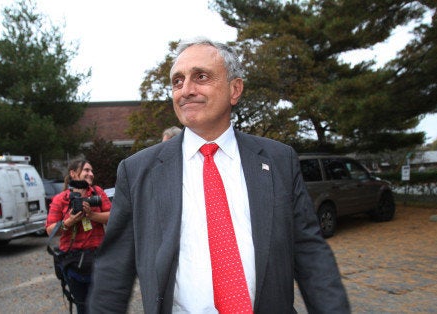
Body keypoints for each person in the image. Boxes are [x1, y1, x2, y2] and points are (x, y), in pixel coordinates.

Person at [88, 37, 349, 313]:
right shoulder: (138, 171)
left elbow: (311, 255)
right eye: (177, 81)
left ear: (234, 89)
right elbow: (113, 272)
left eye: (201, 77)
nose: (186, 90)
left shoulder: (279, 160)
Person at [46, 159, 111, 314]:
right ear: (73, 173)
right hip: (74, 262)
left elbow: (113, 217)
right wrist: (69, 221)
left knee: (102, 305)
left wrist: (92, 215)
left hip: (99, 258)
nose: (91, 174)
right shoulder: (61, 199)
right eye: (86, 170)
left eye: (91, 171)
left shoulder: (97, 193)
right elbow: (50, 230)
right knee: (82, 306)